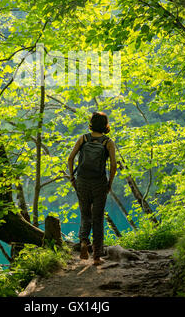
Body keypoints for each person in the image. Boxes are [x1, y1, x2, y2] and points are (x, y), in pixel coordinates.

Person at [68, 111, 117, 266]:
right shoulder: (108, 142)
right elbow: (114, 165)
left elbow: (70, 158)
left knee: (85, 213)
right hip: (99, 182)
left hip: (82, 181)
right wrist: (109, 182)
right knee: (97, 218)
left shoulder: (83, 138)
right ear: (105, 125)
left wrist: (72, 177)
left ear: (91, 123)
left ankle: (83, 241)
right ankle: (96, 256)